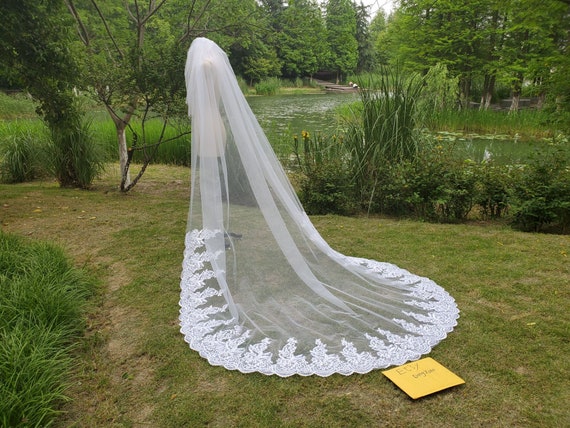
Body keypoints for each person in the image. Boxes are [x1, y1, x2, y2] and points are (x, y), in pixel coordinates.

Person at [180, 37, 459, 377]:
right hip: (210, 127)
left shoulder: (203, 63)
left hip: (209, 128)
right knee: (211, 181)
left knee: (212, 181)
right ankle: (217, 230)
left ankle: (218, 231)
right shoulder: (211, 62)